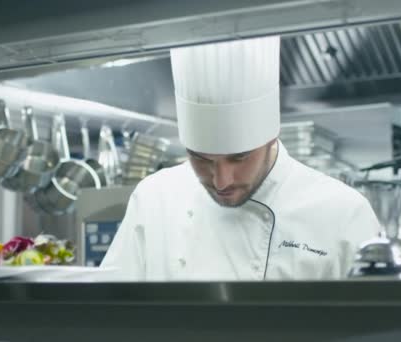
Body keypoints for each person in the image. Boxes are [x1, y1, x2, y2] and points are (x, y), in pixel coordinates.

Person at [101, 36, 379, 280]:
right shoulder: (154, 198)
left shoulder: (344, 213)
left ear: (270, 136)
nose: (221, 181)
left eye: (239, 158)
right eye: (202, 160)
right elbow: (107, 316)